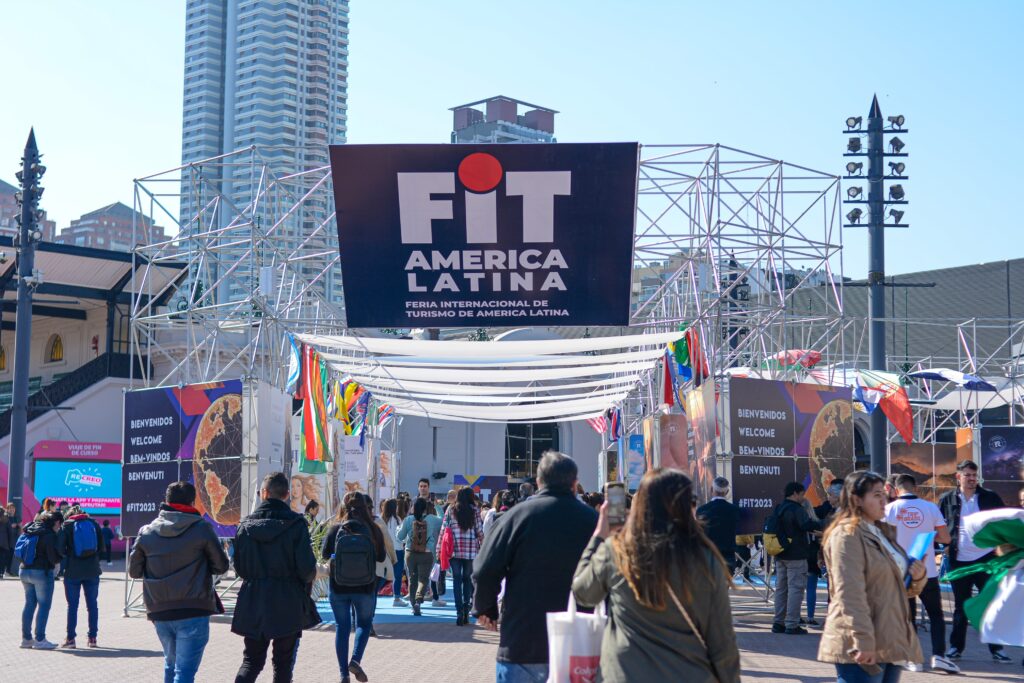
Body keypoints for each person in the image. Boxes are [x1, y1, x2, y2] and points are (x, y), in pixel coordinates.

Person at [573, 469, 741, 682]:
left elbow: (583, 593)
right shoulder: (705, 559)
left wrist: (600, 535)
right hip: (688, 674)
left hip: (624, 674)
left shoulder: (617, 551)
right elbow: (722, 642)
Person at [473, 452, 597, 682]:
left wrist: (486, 609)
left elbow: (485, 569)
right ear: (575, 483)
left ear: (538, 482)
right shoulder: (594, 521)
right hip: (581, 643)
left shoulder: (516, 517)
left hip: (523, 640)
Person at [817, 470, 927, 683]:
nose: (884, 500)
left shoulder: (883, 532)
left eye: (884, 494)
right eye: (876, 495)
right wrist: (862, 640)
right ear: (857, 499)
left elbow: (902, 588)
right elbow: (849, 593)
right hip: (862, 640)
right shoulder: (846, 535)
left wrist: (918, 575)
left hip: (890, 637)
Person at [128, 481, 230, 683]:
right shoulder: (202, 529)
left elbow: (134, 571)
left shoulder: (147, 532)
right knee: (183, 673)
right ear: (193, 502)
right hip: (193, 608)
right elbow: (221, 566)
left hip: (159, 610)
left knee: (171, 664)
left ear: (166, 501)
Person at [231, 472, 320, 683]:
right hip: (287, 599)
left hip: (254, 598)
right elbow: (307, 569)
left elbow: (240, 568)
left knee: (251, 661)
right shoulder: (297, 525)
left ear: (263, 493)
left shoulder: (245, 527)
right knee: (283, 664)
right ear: (287, 494)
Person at [884, 474, 958, 674]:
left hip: (901, 572)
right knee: (936, 615)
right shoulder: (930, 507)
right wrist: (928, 536)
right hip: (927, 571)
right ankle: (939, 656)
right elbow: (946, 538)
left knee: (908, 617)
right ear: (914, 487)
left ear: (896, 489)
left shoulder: (889, 509)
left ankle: (913, 659)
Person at [937, 460, 1009, 663]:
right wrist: (944, 543)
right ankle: (955, 648)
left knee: (990, 604)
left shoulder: (989, 497)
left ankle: (997, 648)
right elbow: (939, 524)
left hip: (986, 560)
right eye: (967, 475)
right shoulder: (947, 498)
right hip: (959, 560)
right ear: (958, 476)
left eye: (974, 475)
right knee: (961, 606)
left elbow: (1002, 521)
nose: (971, 479)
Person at [322, 492, 387, 683]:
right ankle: (355, 660)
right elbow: (382, 557)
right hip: (365, 586)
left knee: (341, 627)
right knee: (364, 624)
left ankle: (343, 674)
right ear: (366, 508)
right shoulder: (373, 529)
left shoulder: (335, 529)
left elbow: (326, 554)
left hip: (339, 585)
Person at [771, 481, 822, 635]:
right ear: (795, 493)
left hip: (780, 554)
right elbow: (806, 526)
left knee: (781, 589)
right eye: (801, 494)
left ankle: (778, 622)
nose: (802, 497)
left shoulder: (779, 508)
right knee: (796, 589)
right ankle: (792, 624)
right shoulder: (797, 509)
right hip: (797, 555)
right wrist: (823, 523)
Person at [56, 504, 105, 648]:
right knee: (92, 605)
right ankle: (93, 638)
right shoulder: (93, 524)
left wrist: (66, 560)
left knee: (72, 606)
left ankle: (70, 639)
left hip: (73, 571)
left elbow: (59, 549)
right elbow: (101, 547)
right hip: (92, 570)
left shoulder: (67, 526)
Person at [439, 487, 484, 626]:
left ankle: (459, 612)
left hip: (454, 551)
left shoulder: (451, 509)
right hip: (470, 551)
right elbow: (479, 531)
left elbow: (444, 530)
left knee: (456, 579)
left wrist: (439, 549)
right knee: (467, 579)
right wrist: (485, 546)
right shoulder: (475, 510)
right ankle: (466, 609)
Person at [17, 511, 61, 649]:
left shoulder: (30, 529)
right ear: (56, 522)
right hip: (41, 572)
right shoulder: (49, 535)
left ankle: (26, 639)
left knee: (29, 604)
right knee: (44, 605)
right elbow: (53, 558)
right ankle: (40, 639)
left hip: (24, 570)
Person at [396, 497, 442, 616]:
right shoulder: (432, 519)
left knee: (412, 579)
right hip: (427, 553)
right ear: (425, 508)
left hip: (410, 553)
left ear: (414, 507)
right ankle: (418, 600)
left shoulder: (408, 520)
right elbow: (443, 520)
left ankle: (413, 605)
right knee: (423, 579)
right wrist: (437, 506)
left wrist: (398, 529)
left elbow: (400, 537)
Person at [696, 476, 740, 573]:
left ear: (711, 489)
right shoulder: (735, 510)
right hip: (728, 556)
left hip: (708, 555)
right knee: (724, 587)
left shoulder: (702, 510)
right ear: (727, 492)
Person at [801, 499, 824, 628]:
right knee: (811, 588)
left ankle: (796, 616)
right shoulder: (816, 523)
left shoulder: (797, 522)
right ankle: (810, 617)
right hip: (813, 557)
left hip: (799, 556)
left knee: (796, 589)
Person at [381, 498, 407, 606]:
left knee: (382, 574)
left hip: (384, 550)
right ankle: (396, 598)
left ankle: (373, 593)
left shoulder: (381, 519)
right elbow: (401, 537)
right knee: (397, 574)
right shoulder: (398, 520)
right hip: (398, 550)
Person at [7, 502, 22, 577]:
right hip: (7, 539)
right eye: (10, 508)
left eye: (13, 508)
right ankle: (6, 570)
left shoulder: (17, 517)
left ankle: (10, 571)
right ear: (7, 509)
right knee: (8, 555)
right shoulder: (5, 517)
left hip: (15, 538)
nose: (12, 510)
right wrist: (11, 525)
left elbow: (21, 527)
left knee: (13, 556)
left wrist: (19, 526)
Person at [0, 505, 13, 579]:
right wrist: (9, 542)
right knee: (3, 559)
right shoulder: (6, 519)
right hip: (4, 543)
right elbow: (10, 532)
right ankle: (1, 572)